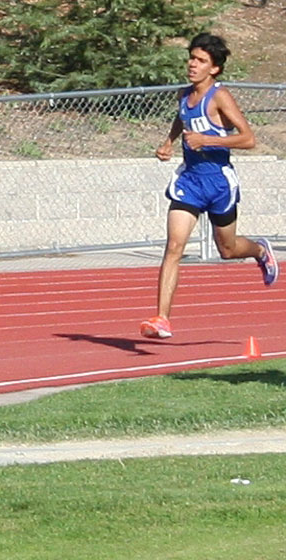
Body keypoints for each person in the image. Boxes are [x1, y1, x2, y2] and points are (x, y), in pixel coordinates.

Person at [140, 32, 277, 340]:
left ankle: (258, 250)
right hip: (190, 180)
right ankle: (162, 318)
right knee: (174, 246)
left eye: (201, 60)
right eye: (191, 58)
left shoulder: (219, 96)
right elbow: (181, 119)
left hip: (218, 181)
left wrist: (208, 140)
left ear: (214, 68)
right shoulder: (182, 95)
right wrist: (168, 143)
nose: (193, 64)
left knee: (227, 249)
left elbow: (249, 139)